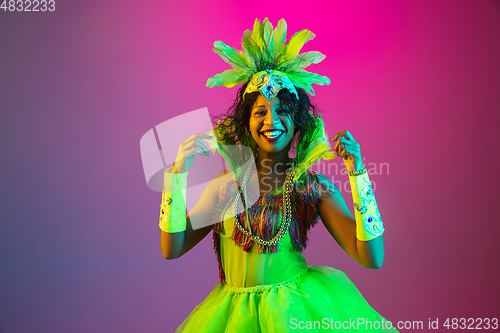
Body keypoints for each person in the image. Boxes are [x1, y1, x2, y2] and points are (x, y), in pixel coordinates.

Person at [159, 18, 398, 332]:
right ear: (246, 122)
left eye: (283, 110)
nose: (272, 120)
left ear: (297, 122)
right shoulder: (226, 187)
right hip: (230, 317)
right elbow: (171, 248)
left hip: (294, 315)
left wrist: (357, 173)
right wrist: (176, 175)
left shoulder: (310, 187)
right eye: (260, 111)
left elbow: (371, 257)